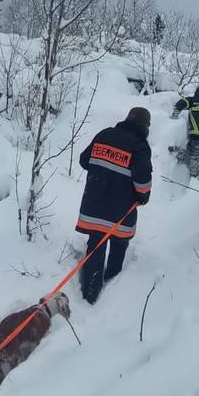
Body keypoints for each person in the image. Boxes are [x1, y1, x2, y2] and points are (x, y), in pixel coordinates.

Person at [75, 107, 152, 304]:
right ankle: (111, 287)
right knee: (118, 246)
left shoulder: (104, 134)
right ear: (145, 126)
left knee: (95, 249)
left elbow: (84, 161)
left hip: (95, 206)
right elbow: (143, 182)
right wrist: (143, 197)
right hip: (121, 213)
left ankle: (89, 295)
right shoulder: (139, 146)